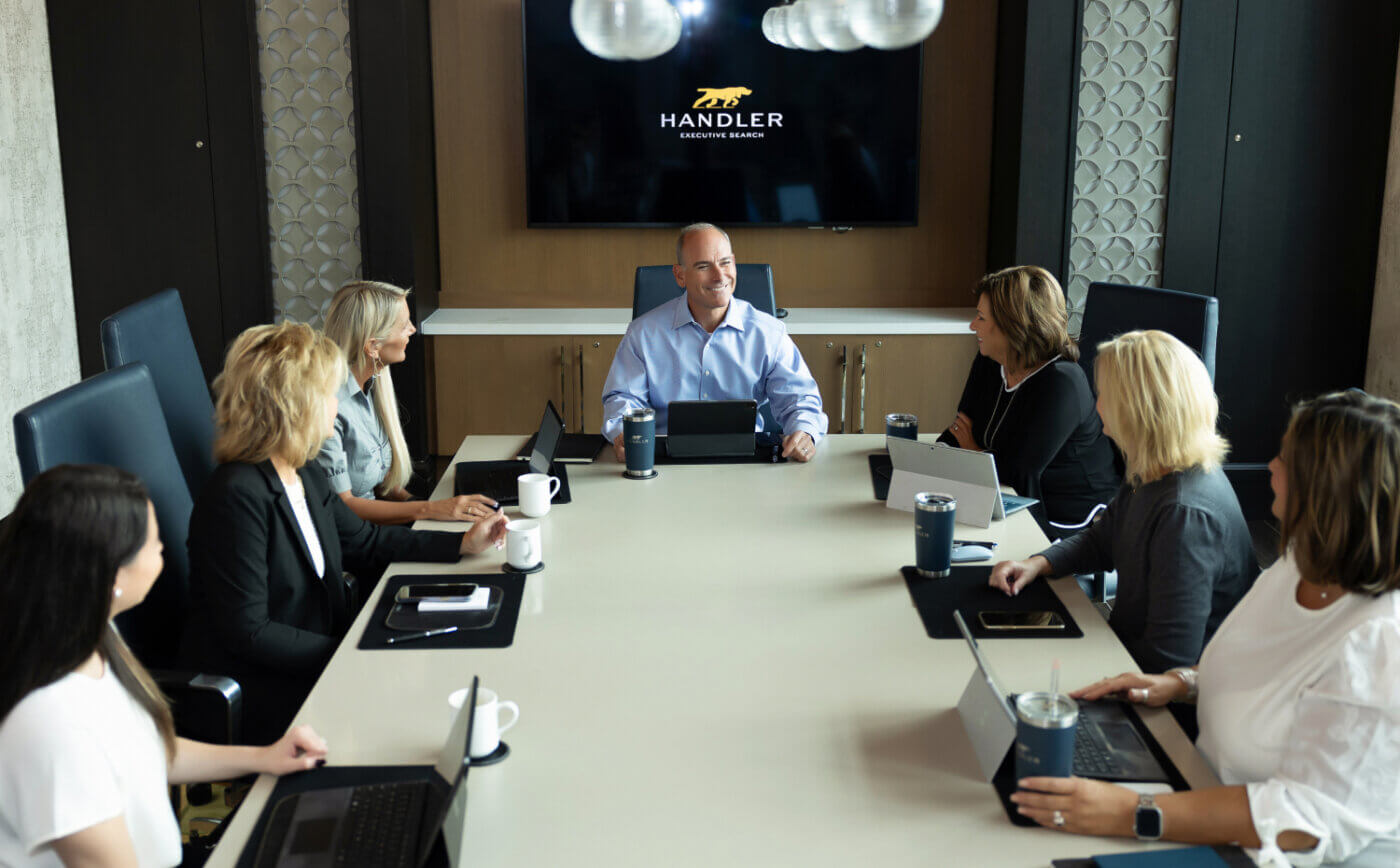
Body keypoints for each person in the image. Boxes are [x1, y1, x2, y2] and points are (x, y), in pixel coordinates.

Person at [1014, 391, 1400, 866]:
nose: (1271, 467)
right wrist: (1179, 683)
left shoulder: (1380, 644)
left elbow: (1303, 818)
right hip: (1203, 793)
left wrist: (1133, 812)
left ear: (1329, 493)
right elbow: (1263, 672)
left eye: (1285, 459)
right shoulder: (1301, 564)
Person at [183, 322, 507, 745]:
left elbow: (364, 541)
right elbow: (250, 632)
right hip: (269, 690)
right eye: (328, 396)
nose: (336, 408)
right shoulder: (235, 497)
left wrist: (462, 544)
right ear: (293, 405)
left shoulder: (301, 470)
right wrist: (350, 652)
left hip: (319, 660)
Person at [0, 464, 329, 868]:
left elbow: (144, 750)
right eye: (152, 541)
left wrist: (264, 757)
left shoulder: (94, 634)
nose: (161, 548)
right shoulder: (51, 723)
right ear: (111, 572)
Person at [990, 330, 1256, 674]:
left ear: (1136, 410)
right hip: (1125, 662)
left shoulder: (1184, 513)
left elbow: (1168, 662)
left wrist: (1080, 667)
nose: (1096, 405)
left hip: (1165, 705)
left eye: (1103, 395)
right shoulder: (1154, 468)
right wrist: (1038, 563)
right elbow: (1103, 540)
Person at [601, 223, 828, 462]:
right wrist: (623, 433)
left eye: (725, 262)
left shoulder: (768, 332)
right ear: (680, 275)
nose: (720, 276)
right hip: (664, 462)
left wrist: (804, 431)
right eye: (703, 266)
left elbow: (800, 399)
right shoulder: (643, 334)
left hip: (747, 463)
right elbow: (623, 399)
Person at [939, 265, 1119, 533]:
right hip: (1001, 491)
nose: (972, 325)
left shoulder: (1062, 382)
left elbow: (1020, 474)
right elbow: (960, 429)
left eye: (981, 318)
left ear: (1012, 326)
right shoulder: (990, 360)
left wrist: (975, 452)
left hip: (1066, 510)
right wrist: (941, 456)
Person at [318, 280, 499, 524]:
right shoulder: (328, 408)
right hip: (355, 545)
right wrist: (429, 511)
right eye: (404, 325)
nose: (413, 330)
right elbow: (343, 507)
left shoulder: (369, 386)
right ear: (373, 346)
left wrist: (435, 509)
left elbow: (380, 483)